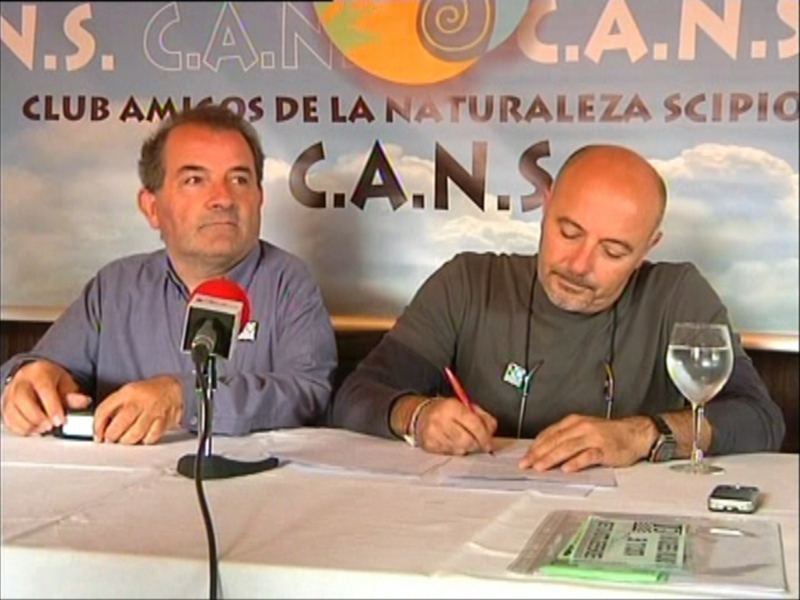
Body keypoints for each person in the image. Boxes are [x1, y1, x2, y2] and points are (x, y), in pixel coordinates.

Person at [331, 144, 785, 472]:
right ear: (546, 208)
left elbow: (758, 418)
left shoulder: (678, 293)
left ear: (648, 247)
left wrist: (640, 434)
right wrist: (417, 415)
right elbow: (357, 396)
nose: (579, 265)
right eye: (569, 232)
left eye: (613, 251)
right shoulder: (468, 282)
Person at [0, 104, 337, 445]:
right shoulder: (115, 287)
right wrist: (28, 380)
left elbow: (308, 393)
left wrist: (184, 398)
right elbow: (42, 368)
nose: (223, 198)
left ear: (259, 198)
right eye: (195, 180)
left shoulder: (288, 283)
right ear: (151, 207)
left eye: (239, 179)